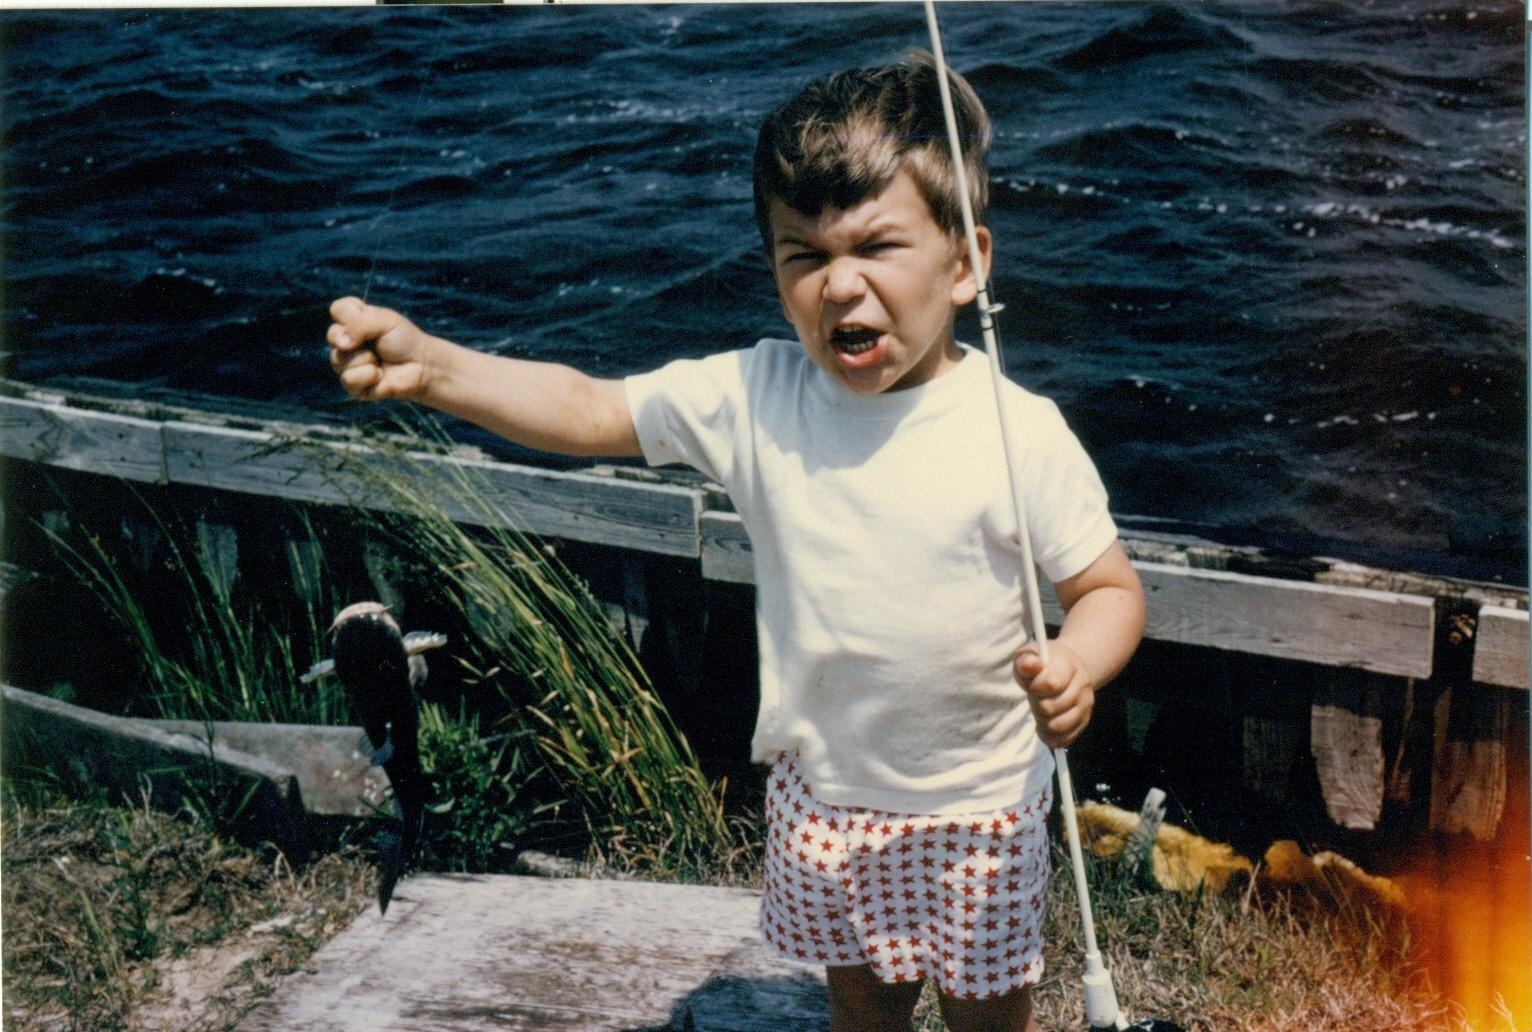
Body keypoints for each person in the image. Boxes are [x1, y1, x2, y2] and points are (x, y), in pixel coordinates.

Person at [328, 51, 1145, 1032]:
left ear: (964, 262)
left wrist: (1074, 662)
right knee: (863, 1006)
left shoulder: (1020, 430)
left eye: (877, 246)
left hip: (978, 809)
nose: (839, 285)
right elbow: (589, 409)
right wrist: (437, 369)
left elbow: (1107, 589)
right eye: (802, 255)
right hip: (828, 805)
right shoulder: (759, 397)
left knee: (988, 1014)